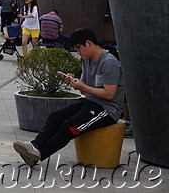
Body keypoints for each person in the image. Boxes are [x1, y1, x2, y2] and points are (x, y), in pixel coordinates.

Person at [13, 28, 125, 167]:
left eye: (79, 48)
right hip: (90, 101)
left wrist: (83, 87)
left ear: (88, 43)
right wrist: (74, 82)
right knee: (55, 117)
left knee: (69, 126)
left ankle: (38, 154)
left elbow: (109, 94)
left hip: (107, 109)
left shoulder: (109, 63)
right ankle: (35, 146)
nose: (78, 52)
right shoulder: (87, 59)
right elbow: (85, 90)